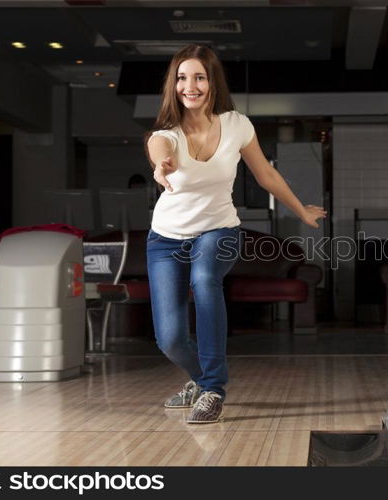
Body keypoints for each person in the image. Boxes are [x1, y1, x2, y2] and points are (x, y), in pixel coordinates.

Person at [144, 44, 326, 424]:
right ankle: (199, 379)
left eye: (198, 77)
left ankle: (213, 389)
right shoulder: (166, 134)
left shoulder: (238, 125)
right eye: (181, 78)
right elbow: (161, 152)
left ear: (212, 82)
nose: (189, 86)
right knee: (170, 340)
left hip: (219, 230)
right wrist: (162, 168)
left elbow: (267, 175)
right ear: (172, 84)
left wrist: (300, 210)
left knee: (206, 280)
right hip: (166, 240)